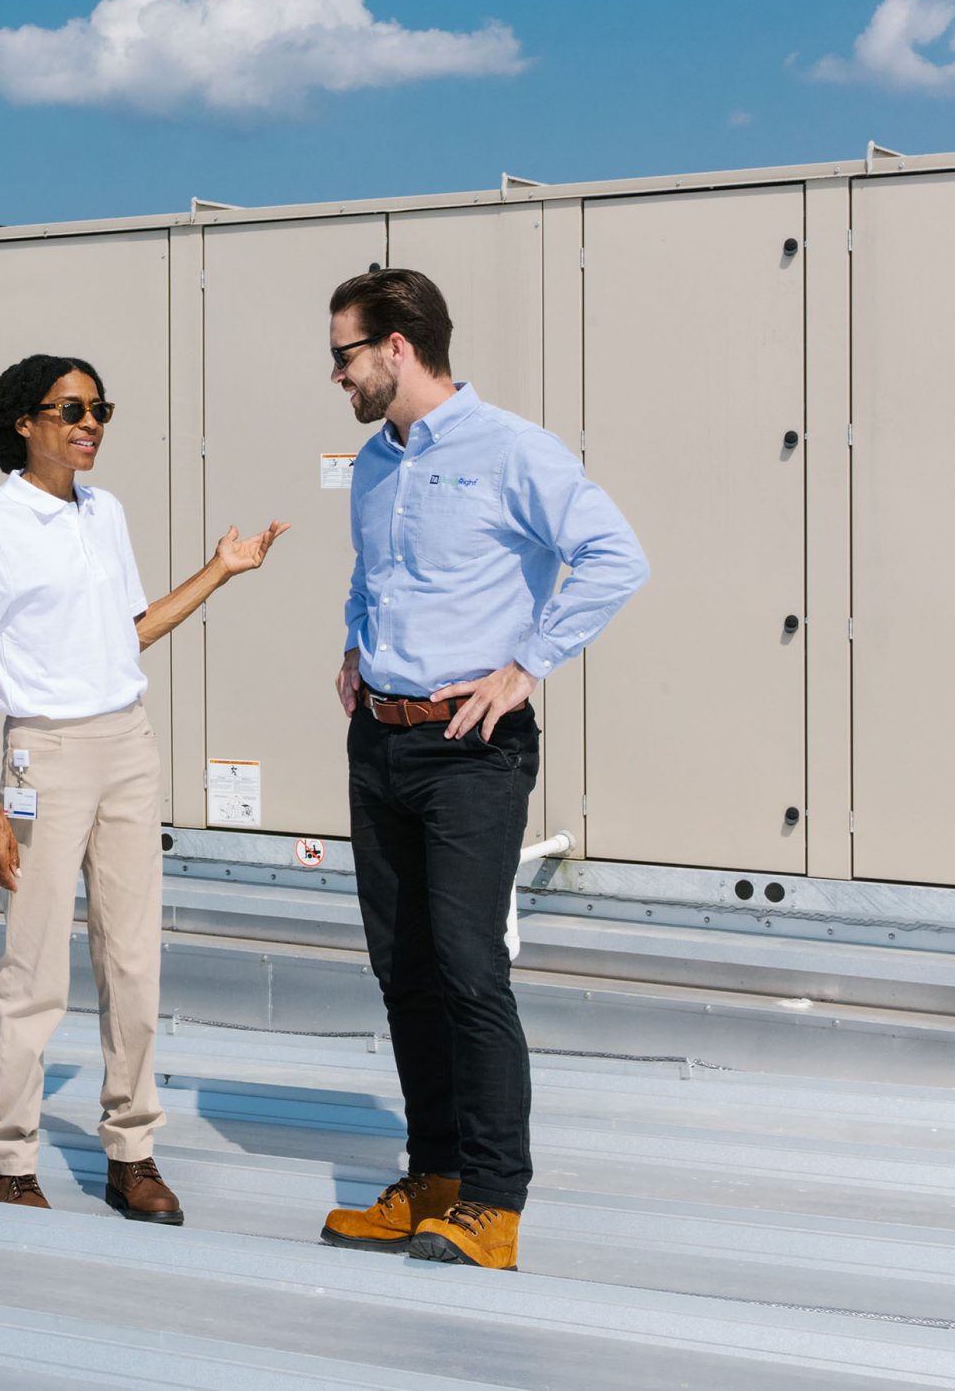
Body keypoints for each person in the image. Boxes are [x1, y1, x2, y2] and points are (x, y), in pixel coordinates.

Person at [319, 268, 646, 1271]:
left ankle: (494, 1204)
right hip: (378, 739)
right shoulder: (377, 462)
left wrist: (526, 664)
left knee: (467, 969)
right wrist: (352, 644)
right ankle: (435, 1179)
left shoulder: (511, 449)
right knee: (402, 970)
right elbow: (376, 572)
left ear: (396, 349)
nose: (334, 374)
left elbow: (612, 556)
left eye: (343, 354)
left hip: (470, 752)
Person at [0, 353, 287, 1221]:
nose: (89, 422)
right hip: (42, 758)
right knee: (33, 965)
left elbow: (129, 633)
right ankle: (11, 1159)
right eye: (70, 408)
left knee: (133, 960)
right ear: (26, 422)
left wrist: (221, 572)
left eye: (99, 408)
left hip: (127, 744)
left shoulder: (107, 514)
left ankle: (132, 1150)